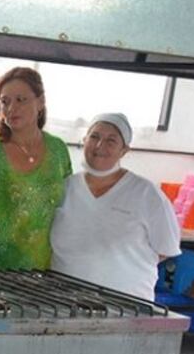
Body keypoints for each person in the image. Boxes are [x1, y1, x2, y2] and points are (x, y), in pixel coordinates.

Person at [51, 113, 181, 299]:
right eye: (94, 137)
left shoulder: (146, 194)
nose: (99, 146)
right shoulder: (64, 188)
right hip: (64, 303)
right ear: (84, 141)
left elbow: (166, 249)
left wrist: (117, 268)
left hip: (126, 307)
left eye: (111, 140)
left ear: (124, 150)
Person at [0, 66, 71, 270]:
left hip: (40, 273)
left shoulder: (58, 150)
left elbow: (68, 205)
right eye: (5, 101)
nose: (11, 108)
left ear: (41, 102)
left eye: (21, 100)